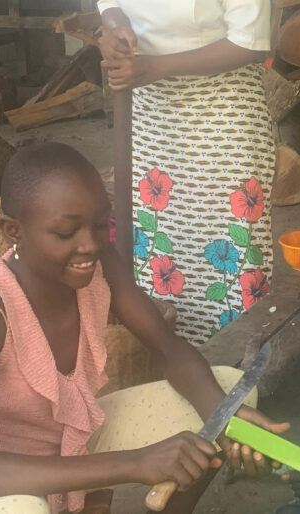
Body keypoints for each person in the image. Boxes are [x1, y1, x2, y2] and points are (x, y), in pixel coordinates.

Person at [0, 143, 289, 514]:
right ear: (13, 231)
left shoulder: (99, 265)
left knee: (227, 393)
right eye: (66, 232)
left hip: (73, 443)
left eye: (99, 225)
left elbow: (167, 348)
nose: (90, 244)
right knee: (17, 509)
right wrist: (134, 463)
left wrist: (225, 417)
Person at [97, 0, 276, 344]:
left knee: (232, 244)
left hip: (223, 112)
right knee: (162, 241)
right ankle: (165, 355)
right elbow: (110, 3)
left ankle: (235, 358)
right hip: (152, 111)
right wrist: (114, 24)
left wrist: (157, 66)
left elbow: (249, 41)